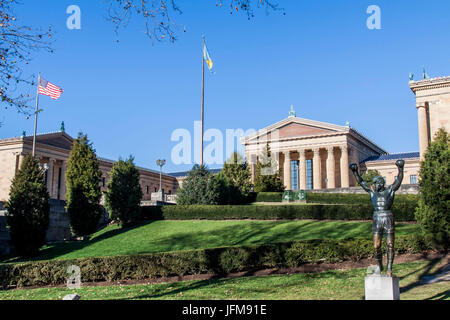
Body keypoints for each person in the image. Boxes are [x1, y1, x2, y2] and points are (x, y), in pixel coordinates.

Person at [349, 159, 405, 276]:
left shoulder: (390, 190)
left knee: (390, 245)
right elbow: (361, 182)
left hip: (388, 217)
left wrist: (400, 168)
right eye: (374, 183)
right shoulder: (372, 192)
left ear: (381, 182)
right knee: (376, 246)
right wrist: (355, 172)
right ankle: (380, 265)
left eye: (376, 182)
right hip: (377, 219)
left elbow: (398, 180)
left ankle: (389, 268)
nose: (375, 185)